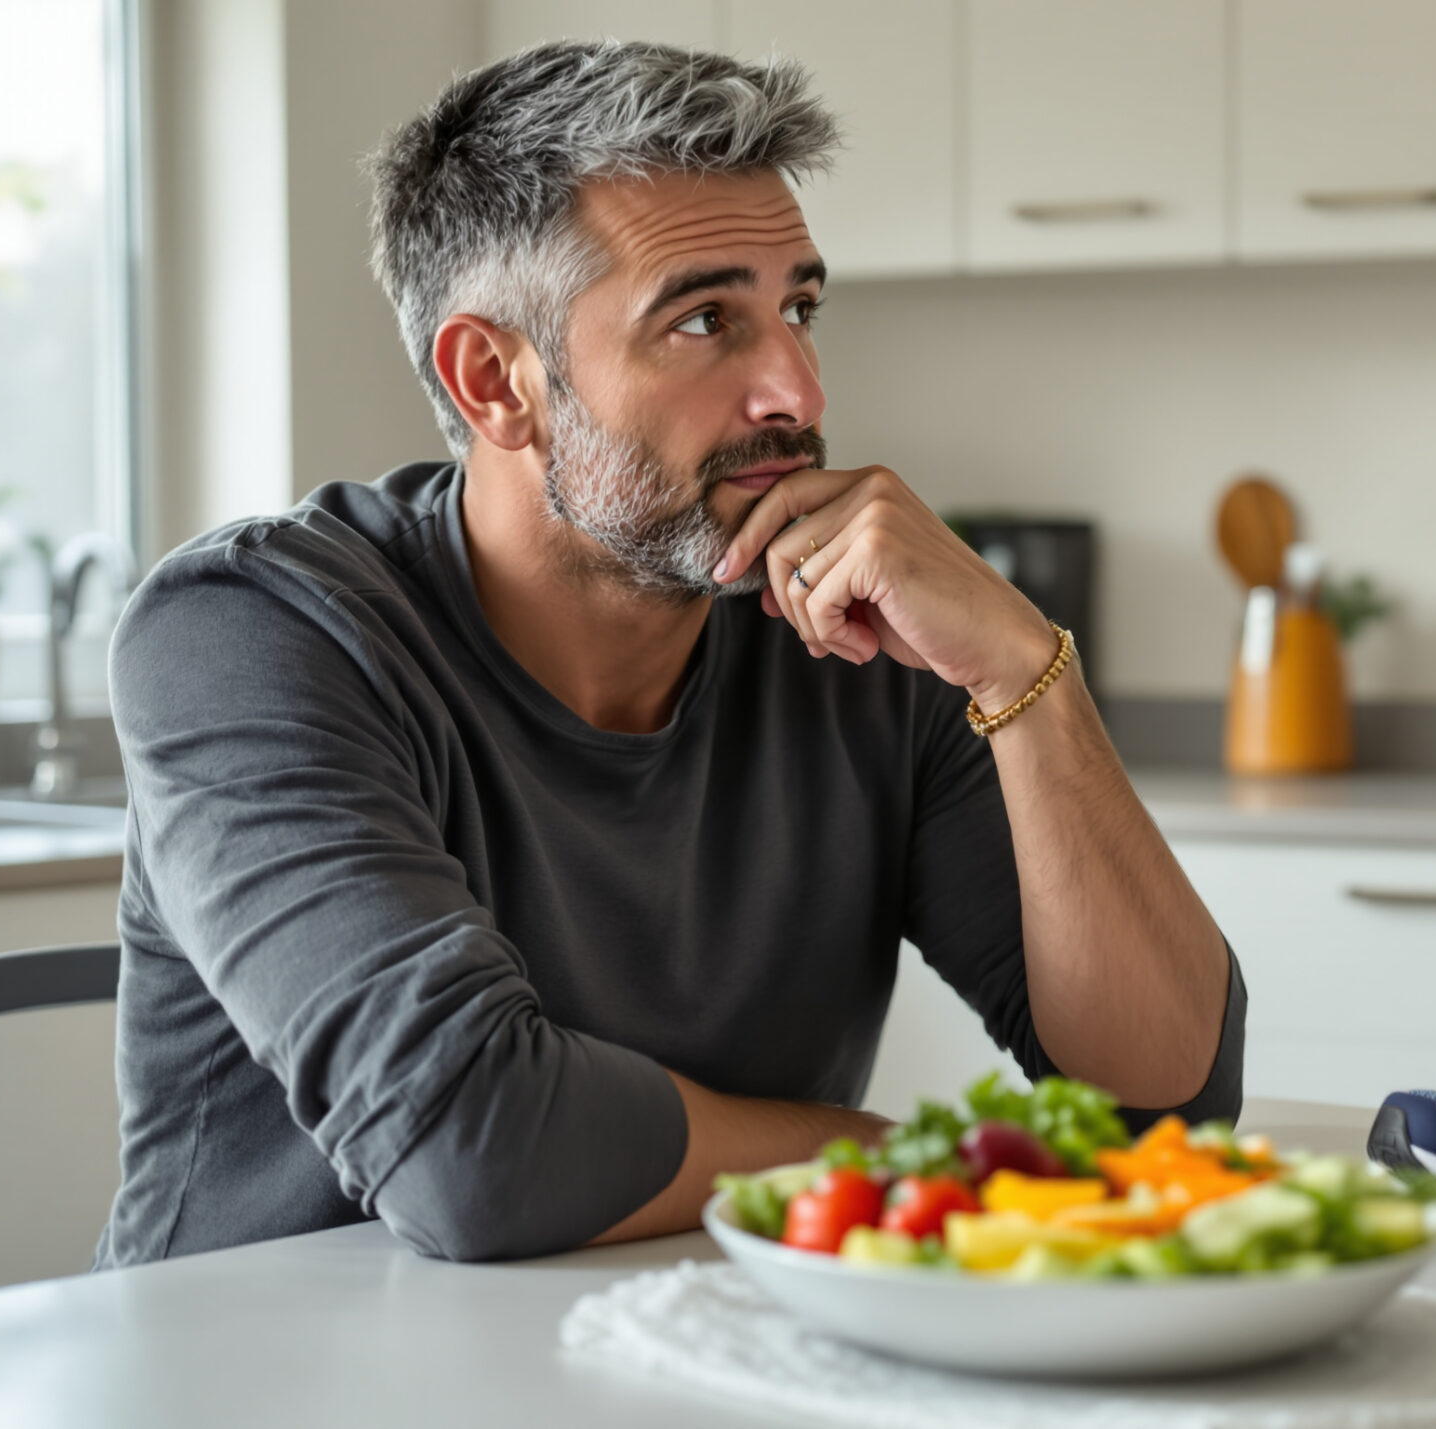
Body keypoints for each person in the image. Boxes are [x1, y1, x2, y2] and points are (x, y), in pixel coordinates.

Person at [94, 41, 1242, 1267]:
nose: (793, 388)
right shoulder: (250, 632)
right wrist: (909, 1168)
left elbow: (1158, 1103)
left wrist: (1024, 671)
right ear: (497, 383)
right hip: (256, 1377)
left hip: (692, 1356)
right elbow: (477, 1154)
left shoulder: (854, 630)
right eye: (706, 320)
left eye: (797, 307)